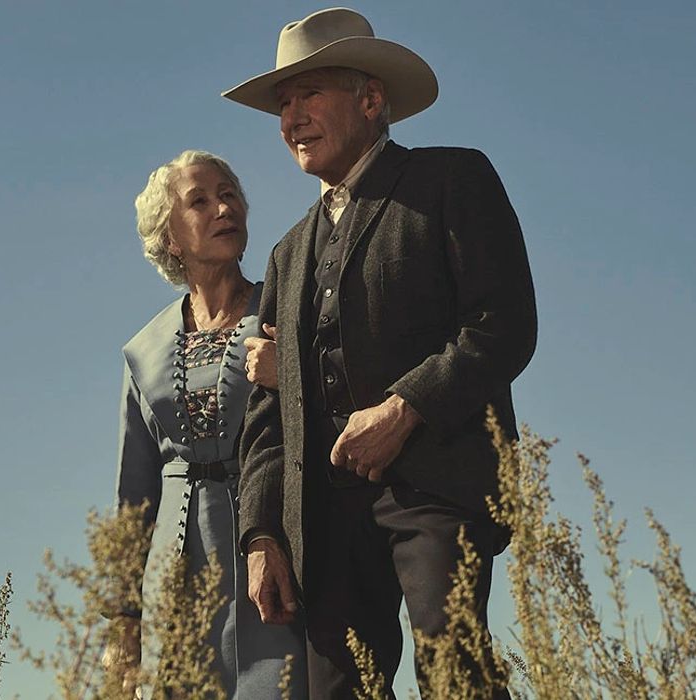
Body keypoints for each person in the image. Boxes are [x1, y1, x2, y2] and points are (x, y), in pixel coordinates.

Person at [225, 8, 537, 698]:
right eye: (283, 104)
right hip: (323, 520)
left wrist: (404, 408)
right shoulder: (285, 255)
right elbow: (267, 418)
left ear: (371, 100)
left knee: (455, 676)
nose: (292, 119)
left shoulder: (451, 180)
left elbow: (503, 324)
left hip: (435, 490)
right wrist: (259, 535)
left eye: (311, 95)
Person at [109, 150, 307, 698]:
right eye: (200, 201)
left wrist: (289, 371)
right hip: (172, 573)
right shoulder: (142, 351)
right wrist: (124, 619)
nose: (224, 207)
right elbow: (134, 496)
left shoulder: (285, 311)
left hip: (274, 548)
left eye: (229, 194)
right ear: (170, 237)